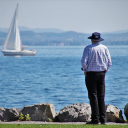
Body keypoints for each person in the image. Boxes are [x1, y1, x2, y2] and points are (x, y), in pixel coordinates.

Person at [81, 32, 112, 124]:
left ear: (92, 39)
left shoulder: (88, 48)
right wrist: (105, 70)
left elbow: (83, 61)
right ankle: (103, 119)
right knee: (101, 96)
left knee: (93, 96)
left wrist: (85, 70)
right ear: (99, 40)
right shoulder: (104, 48)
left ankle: (95, 119)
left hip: (91, 74)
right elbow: (109, 62)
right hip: (102, 74)